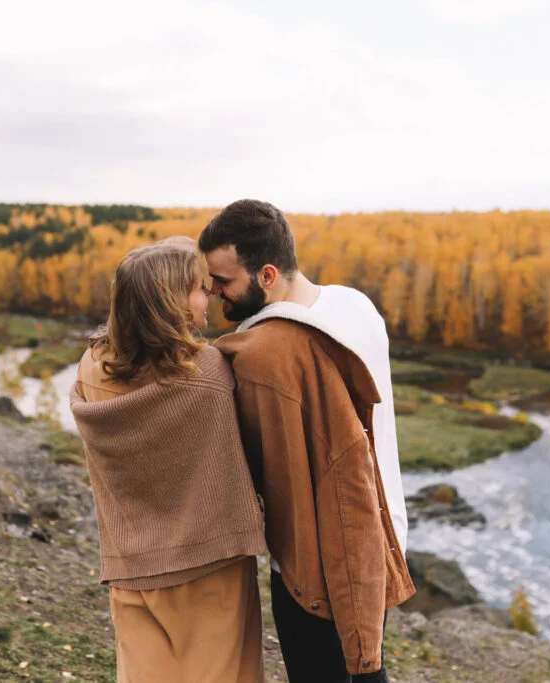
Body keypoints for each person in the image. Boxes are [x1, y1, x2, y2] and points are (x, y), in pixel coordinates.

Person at [201, 199, 414, 683]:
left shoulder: (266, 354)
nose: (214, 292)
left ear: (267, 275)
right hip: (383, 535)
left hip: (318, 561)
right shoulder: (355, 304)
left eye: (223, 281)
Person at [70, 239, 267, 683]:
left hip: (132, 566)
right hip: (210, 567)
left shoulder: (91, 368)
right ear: (169, 303)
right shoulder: (208, 372)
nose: (209, 293)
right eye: (198, 287)